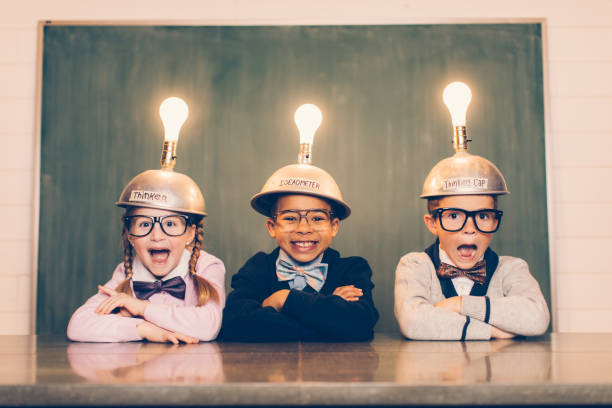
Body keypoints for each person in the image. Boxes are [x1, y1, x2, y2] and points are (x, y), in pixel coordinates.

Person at [394, 109, 549, 340]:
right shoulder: (416, 266)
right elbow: (414, 322)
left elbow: (536, 318)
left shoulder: (511, 269)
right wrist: (492, 331)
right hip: (431, 375)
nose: (470, 228)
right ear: (432, 223)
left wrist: (459, 304)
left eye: (483, 216)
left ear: (495, 220)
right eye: (454, 216)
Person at [221, 151, 378, 341]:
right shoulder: (258, 268)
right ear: (272, 227)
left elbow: (359, 325)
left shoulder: (352, 269)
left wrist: (284, 299)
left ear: (334, 226)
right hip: (268, 369)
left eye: (318, 218)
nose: (304, 228)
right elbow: (234, 325)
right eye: (290, 218)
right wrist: (330, 311)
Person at [67, 168, 225, 343]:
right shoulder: (125, 273)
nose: (157, 236)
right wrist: (143, 329)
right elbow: (78, 325)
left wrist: (140, 308)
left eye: (170, 223)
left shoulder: (207, 266)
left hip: (193, 368)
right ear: (129, 235)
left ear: (190, 234)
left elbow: (207, 326)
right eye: (144, 224)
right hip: (140, 366)